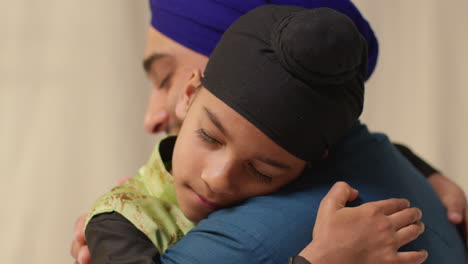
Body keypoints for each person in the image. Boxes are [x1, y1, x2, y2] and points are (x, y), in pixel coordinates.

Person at [71, 1, 467, 263]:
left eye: (262, 171)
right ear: (191, 92)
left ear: (311, 165)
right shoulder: (119, 219)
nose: (217, 179)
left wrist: (426, 172)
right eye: (210, 137)